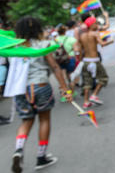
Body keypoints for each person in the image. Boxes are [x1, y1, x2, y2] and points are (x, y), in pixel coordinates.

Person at [10, 16, 71, 172]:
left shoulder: (12, 48)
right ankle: (41, 157)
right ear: (37, 29)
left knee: (26, 121)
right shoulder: (43, 45)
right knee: (44, 120)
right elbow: (55, 67)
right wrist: (64, 88)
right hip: (41, 86)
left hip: (21, 90)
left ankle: (18, 150)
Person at [78, 15, 112, 108]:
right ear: (91, 25)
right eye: (95, 23)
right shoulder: (95, 33)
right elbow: (102, 44)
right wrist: (110, 41)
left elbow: (80, 50)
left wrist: (80, 60)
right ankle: (94, 95)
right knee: (103, 78)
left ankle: (86, 102)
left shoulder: (82, 36)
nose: (97, 25)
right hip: (95, 61)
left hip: (85, 61)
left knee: (87, 82)